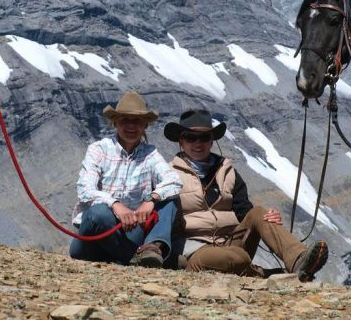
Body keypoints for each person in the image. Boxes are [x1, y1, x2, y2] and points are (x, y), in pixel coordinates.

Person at [165, 109, 328, 281]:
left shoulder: (228, 172)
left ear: (212, 141)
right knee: (235, 257)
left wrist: (267, 219)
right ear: (181, 141)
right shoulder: (169, 174)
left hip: (230, 241)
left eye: (204, 137)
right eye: (191, 137)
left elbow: (246, 211)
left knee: (258, 213)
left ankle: (298, 260)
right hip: (195, 249)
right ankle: (261, 274)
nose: (198, 143)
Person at [69, 91, 182, 268]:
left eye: (137, 121)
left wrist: (151, 199)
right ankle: (137, 257)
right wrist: (115, 204)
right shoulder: (98, 149)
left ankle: (149, 249)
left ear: (145, 125)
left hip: (131, 232)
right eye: (125, 120)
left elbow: (174, 181)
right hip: (97, 232)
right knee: (99, 213)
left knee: (169, 201)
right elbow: (85, 189)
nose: (131, 126)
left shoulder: (150, 154)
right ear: (115, 122)